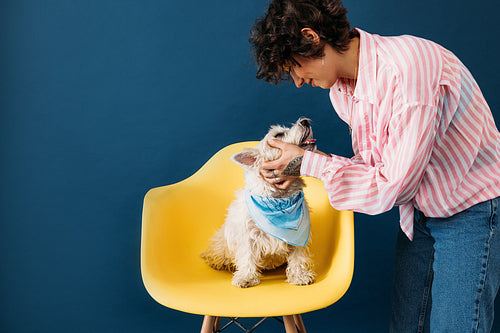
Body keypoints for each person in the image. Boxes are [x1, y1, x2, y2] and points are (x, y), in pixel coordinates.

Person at [249, 0, 500, 332]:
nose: (297, 81)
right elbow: (378, 166)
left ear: (311, 38)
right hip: (422, 209)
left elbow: (395, 185)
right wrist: (304, 164)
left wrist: (310, 164)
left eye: (294, 66)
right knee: (405, 326)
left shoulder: (407, 72)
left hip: (471, 208)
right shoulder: (343, 89)